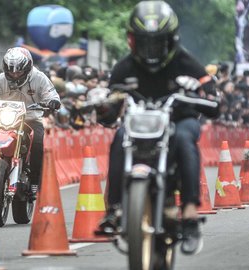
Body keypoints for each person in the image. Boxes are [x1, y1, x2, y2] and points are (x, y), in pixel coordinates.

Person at [96, 1, 219, 255]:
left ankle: (190, 212)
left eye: (158, 42)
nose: (151, 49)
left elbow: (211, 95)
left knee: (185, 139)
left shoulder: (186, 62)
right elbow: (109, 109)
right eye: (144, 42)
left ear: (171, 40)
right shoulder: (124, 67)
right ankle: (115, 209)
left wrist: (202, 95)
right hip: (140, 123)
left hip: (179, 120)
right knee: (119, 137)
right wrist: (103, 107)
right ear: (133, 40)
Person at [0, 47, 61, 197]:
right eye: (11, 71)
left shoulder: (39, 77)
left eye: (19, 71)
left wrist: (53, 102)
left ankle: (35, 181)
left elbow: (52, 95)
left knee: (37, 142)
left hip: (31, 118)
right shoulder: (0, 79)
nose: (15, 74)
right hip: (5, 119)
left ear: (28, 67)